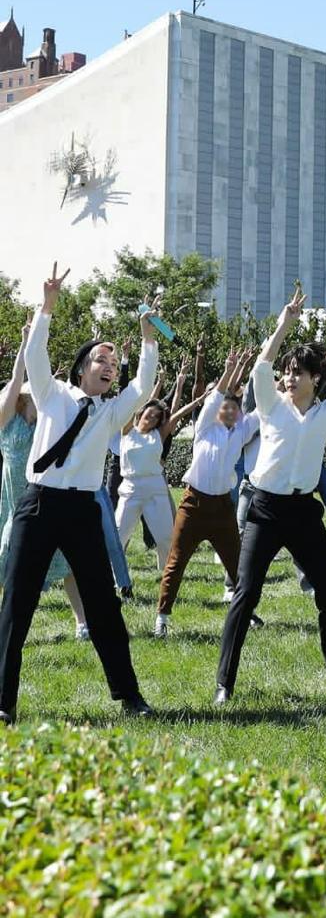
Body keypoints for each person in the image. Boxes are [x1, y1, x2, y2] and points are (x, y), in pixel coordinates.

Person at [213, 285, 326, 704]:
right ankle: (225, 684)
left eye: (299, 372)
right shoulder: (271, 405)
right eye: (289, 371)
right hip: (263, 508)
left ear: (316, 379)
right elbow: (262, 364)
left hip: (302, 514)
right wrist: (285, 324)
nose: (290, 377)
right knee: (245, 595)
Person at [0, 262, 158, 725]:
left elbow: (144, 386)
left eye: (114, 363)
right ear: (82, 368)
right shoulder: (53, 395)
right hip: (39, 503)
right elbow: (35, 357)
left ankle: (129, 695)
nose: (109, 367)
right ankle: (4, 702)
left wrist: (147, 339)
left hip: (82, 512)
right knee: (18, 602)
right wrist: (46, 307)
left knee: (103, 604)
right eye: (101, 360)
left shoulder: (111, 411)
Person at [154, 348, 260, 636]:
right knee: (176, 562)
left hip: (222, 507)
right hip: (193, 505)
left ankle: (246, 613)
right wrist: (229, 369)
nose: (228, 410)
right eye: (224, 407)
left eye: (234, 408)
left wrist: (262, 370)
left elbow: (264, 408)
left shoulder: (241, 430)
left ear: (239, 414)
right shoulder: (204, 427)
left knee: (237, 564)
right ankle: (162, 617)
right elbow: (216, 396)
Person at [0, 325, 88, 638]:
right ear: (23, 400)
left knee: (65, 563)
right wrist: (25, 344)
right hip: (13, 500)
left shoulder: (47, 426)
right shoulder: (7, 420)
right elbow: (13, 384)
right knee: (7, 561)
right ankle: (8, 622)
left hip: (43, 497)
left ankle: (82, 623)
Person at [114, 365, 205, 576]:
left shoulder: (159, 435)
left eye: (156, 417)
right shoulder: (127, 430)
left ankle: (168, 575)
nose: (152, 418)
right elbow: (134, 403)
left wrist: (198, 401)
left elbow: (177, 413)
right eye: (150, 414)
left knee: (165, 537)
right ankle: (117, 578)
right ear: (142, 412)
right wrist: (151, 383)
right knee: (119, 535)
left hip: (155, 488)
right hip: (130, 488)